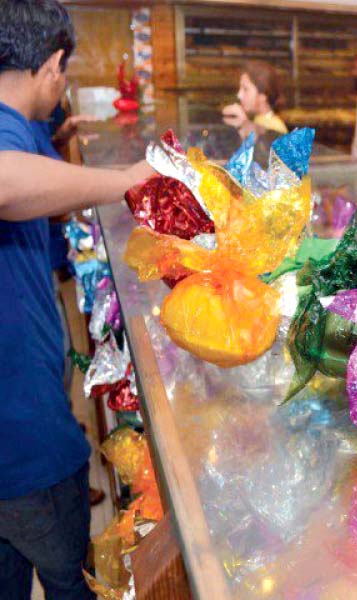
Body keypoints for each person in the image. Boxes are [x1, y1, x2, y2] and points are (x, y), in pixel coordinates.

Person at [0, 1, 152, 597]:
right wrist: (125, 182)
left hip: (22, 427)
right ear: (53, 64)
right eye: (65, 72)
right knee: (73, 580)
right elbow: (8, 183)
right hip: (23, 443)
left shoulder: (18, 123)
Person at [222, 60, 288, 135]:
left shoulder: (275, 128)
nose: (239, 95)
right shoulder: (257, 120)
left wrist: (245, 124)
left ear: (263, 96)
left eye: (245, 89)